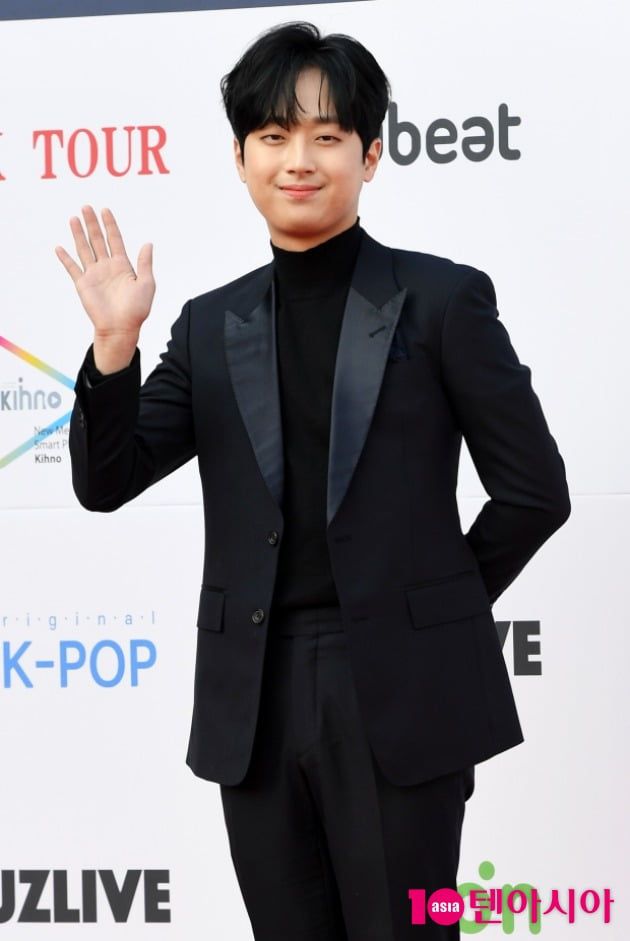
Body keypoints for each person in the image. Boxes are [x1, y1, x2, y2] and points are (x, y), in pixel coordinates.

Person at [56, 21, 571, 941]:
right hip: (253, 698)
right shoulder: (209, 325)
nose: (299, 159)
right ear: (241, 158)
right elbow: (107, 481)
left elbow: (535, 490)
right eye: (273, 136)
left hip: (398, 690)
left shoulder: (442, 301)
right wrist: (113, 350)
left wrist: (427, 607)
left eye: (327, 135)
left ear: (370, 155)